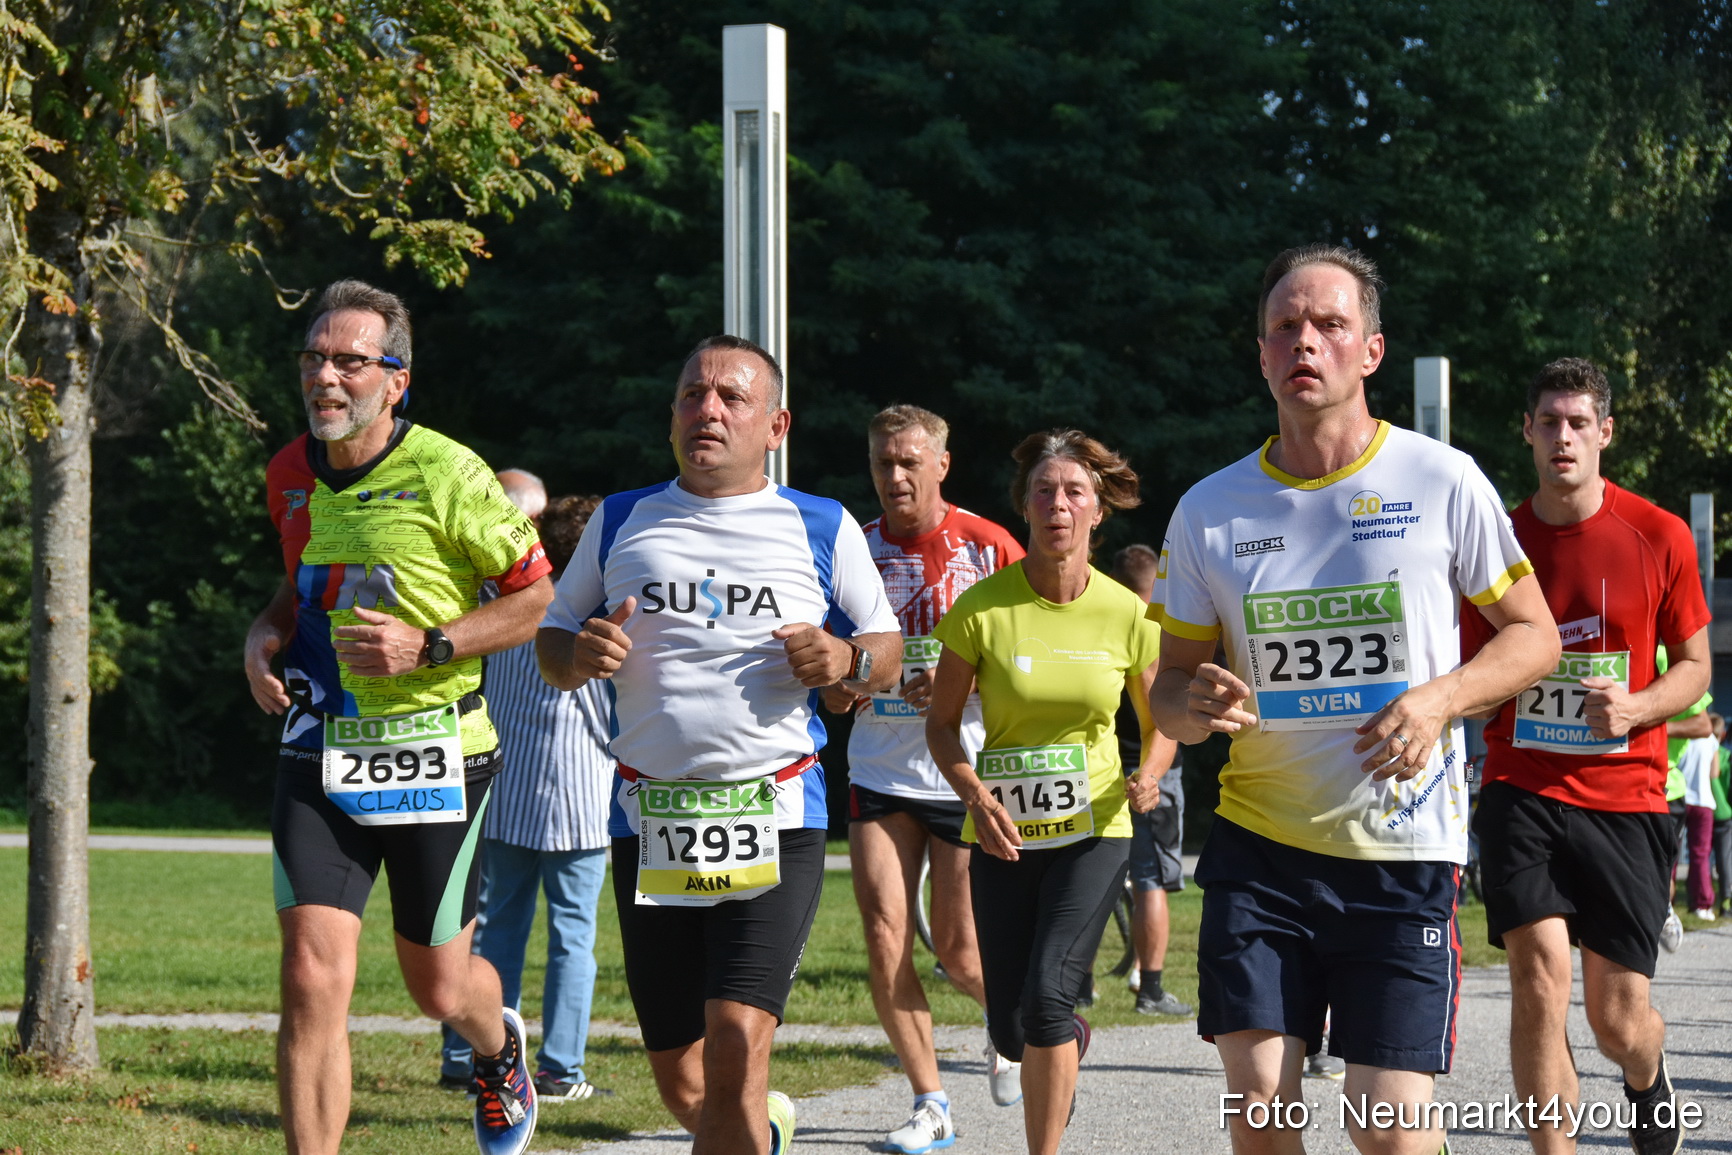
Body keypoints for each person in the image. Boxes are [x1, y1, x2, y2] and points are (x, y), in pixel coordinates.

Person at [1149, 244, 1559, 1155]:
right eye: (1285, 327)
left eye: (1331, 325)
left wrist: (1440, 699)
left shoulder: (1441, 480)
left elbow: (1534, 636)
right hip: (1260, 849)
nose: (1307, 342)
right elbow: (1168, 694)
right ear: (1260, 354)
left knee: (1388, 1129)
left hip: (1402, 846)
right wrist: (1195, 700)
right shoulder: (1209, 510)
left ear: (1371, 350)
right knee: (1261, 1106)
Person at [536, 335, 902, 1155]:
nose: (708, 410)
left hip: (776, 812)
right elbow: (552, 643)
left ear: (776, 424)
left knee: (737, 1031)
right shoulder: (622, 517)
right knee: (682, 1074)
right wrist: (579, 652)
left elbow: (888, 648)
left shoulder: (820, 523)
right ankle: (757, 1134)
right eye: (693, 395)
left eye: (731, 398)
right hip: (649, 816)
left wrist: (847, 658)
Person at [244, 280, 554, 1155]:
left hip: (438, 751)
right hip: (319, 747)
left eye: (350, 360)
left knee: (439, 988)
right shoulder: (289, 473)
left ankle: (497, 1049)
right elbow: (299, 587)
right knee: (310, 975)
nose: (326, 377)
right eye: (314, 358)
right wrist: (263, 634)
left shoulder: (453, 473)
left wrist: (433, 645)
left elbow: (540, 600)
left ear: (397, 378)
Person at [1461, 357, 1711, 1155]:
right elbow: (1470, 668)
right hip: (1521, 784)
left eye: (1578, 423)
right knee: (1537, 977)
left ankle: (1648, 1071)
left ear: (1605, 433)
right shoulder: (1496, 539)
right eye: (1548, 421)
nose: (1562, 437)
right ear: (1527, 432)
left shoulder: (1660, 533)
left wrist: (1638, 706)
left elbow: (1697, 667)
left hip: (1627, 798)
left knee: (1616, 1019)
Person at [927, 429, 1172, 1155]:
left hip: (1095, 827)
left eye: (1074, 493)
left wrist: (1151, 770)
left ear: (1097, 512)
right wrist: (972, 792)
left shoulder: (1127, 613)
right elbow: (941, 726)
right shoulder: (981, 608)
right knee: (1012, 1024)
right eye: (1044, 491)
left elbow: (1164, 721)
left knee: (1047, 998)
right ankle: (1062, 1037)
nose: (1058, 505)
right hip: (1002, 833)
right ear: (1024, 507)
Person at [825, 405, 1025, 1153]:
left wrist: (958, 684)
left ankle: (1019, 1024)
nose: (895, 476)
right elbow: (828, 677)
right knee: (885, 934)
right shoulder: (853, 547)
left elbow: (1030, 663)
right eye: (882, 462)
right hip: (879, 769)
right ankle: (931, 1101)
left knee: (959, 949)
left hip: (964, 769)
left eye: (910, 461)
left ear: (943, 464)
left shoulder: (989, 546)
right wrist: (846, 683)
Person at [439, 489, 617, 1101]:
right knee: (572, 939)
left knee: (492, 933)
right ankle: (560, 1067)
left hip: (506, 787)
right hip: (583, 797)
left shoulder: (509, 603)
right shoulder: (611, 615)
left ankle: (470, 1054)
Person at [1106, 544, 1190, 1019]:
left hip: (1094, 770)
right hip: (1151, 771)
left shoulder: (1093, 622)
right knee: (1151, 880)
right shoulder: (1156, 630)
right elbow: (1167, 715)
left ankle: (1080, 985)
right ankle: (1151, 988)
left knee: (1088, 876)